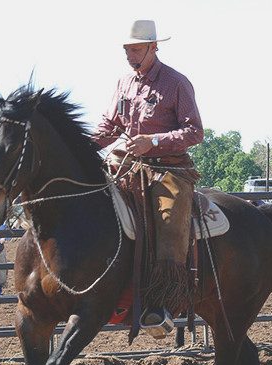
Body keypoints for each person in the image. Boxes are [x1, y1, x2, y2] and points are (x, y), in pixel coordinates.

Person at [93, 19, 203, 334]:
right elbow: (109, 126)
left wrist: (153, 142)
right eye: (127, 49)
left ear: (154, 47)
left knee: (169, 220)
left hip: (168, 168)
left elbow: (194, 131)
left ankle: (163, 304)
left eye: (136, 48)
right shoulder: (123, 83)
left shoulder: (176, 82)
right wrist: (81, 146)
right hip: (124, 163)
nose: (130, 54)